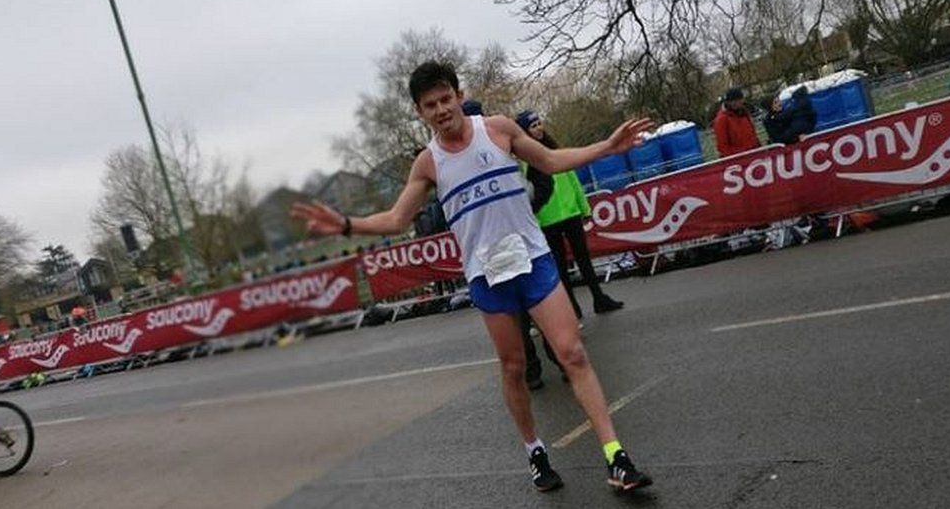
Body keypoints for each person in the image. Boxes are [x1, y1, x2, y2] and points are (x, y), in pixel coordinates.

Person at [293, 61, 654, 493]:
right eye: (431, 105)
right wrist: (347, 225)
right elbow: (395, 218)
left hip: (532, 257)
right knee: (514, 367)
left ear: (458, 95)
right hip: (488, 272)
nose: (442, 109)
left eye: (446, 99)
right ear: (419, 112)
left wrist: (606, 148)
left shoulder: (498, 129)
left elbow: (552, 160)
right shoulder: (428, 164)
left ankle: (615, 456)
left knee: (572, 352)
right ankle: (534, 451)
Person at [515, 109, 624, 390]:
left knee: (584, 259)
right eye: (532, 125)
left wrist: (583, 205)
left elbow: (572, 178)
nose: (538, 128)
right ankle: (570, 313)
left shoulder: (553, 149)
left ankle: (599, 297)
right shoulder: (526, 158)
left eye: (539, 123)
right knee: (559, 270)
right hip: (547, 220)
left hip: (570, 213)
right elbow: (532, 194)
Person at [713, 87, 760, 157]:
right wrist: (741, 155)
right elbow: (723, 147)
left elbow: (753, 134)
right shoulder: (722, 119)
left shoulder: (744, 113)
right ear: (728, 102)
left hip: (754, 154)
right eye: (733, 101)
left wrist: (759, 147)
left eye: (739, 100)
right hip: (739, 160)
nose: (736, 103)